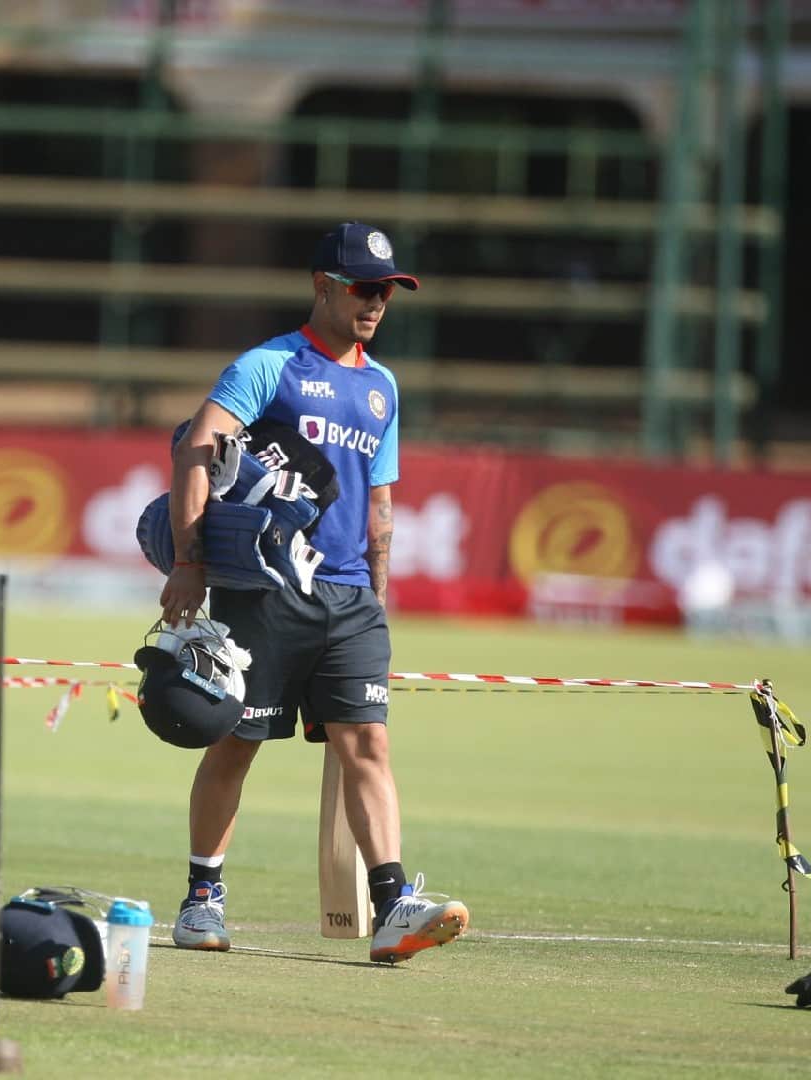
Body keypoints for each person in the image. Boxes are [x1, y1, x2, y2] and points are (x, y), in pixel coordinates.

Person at [157, 222, 470, 964]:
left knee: (369, 742)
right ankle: (202, 898)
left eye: (388, 291)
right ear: (323, 285)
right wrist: (190, 561)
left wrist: (377, 600)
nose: (377, 303)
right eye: (365, 288)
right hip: (265, 591)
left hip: (350, 597)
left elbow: (381, 503)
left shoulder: (383, 386)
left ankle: (393, 905)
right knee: (237, 742)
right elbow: (197, 446)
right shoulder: (270, 365)